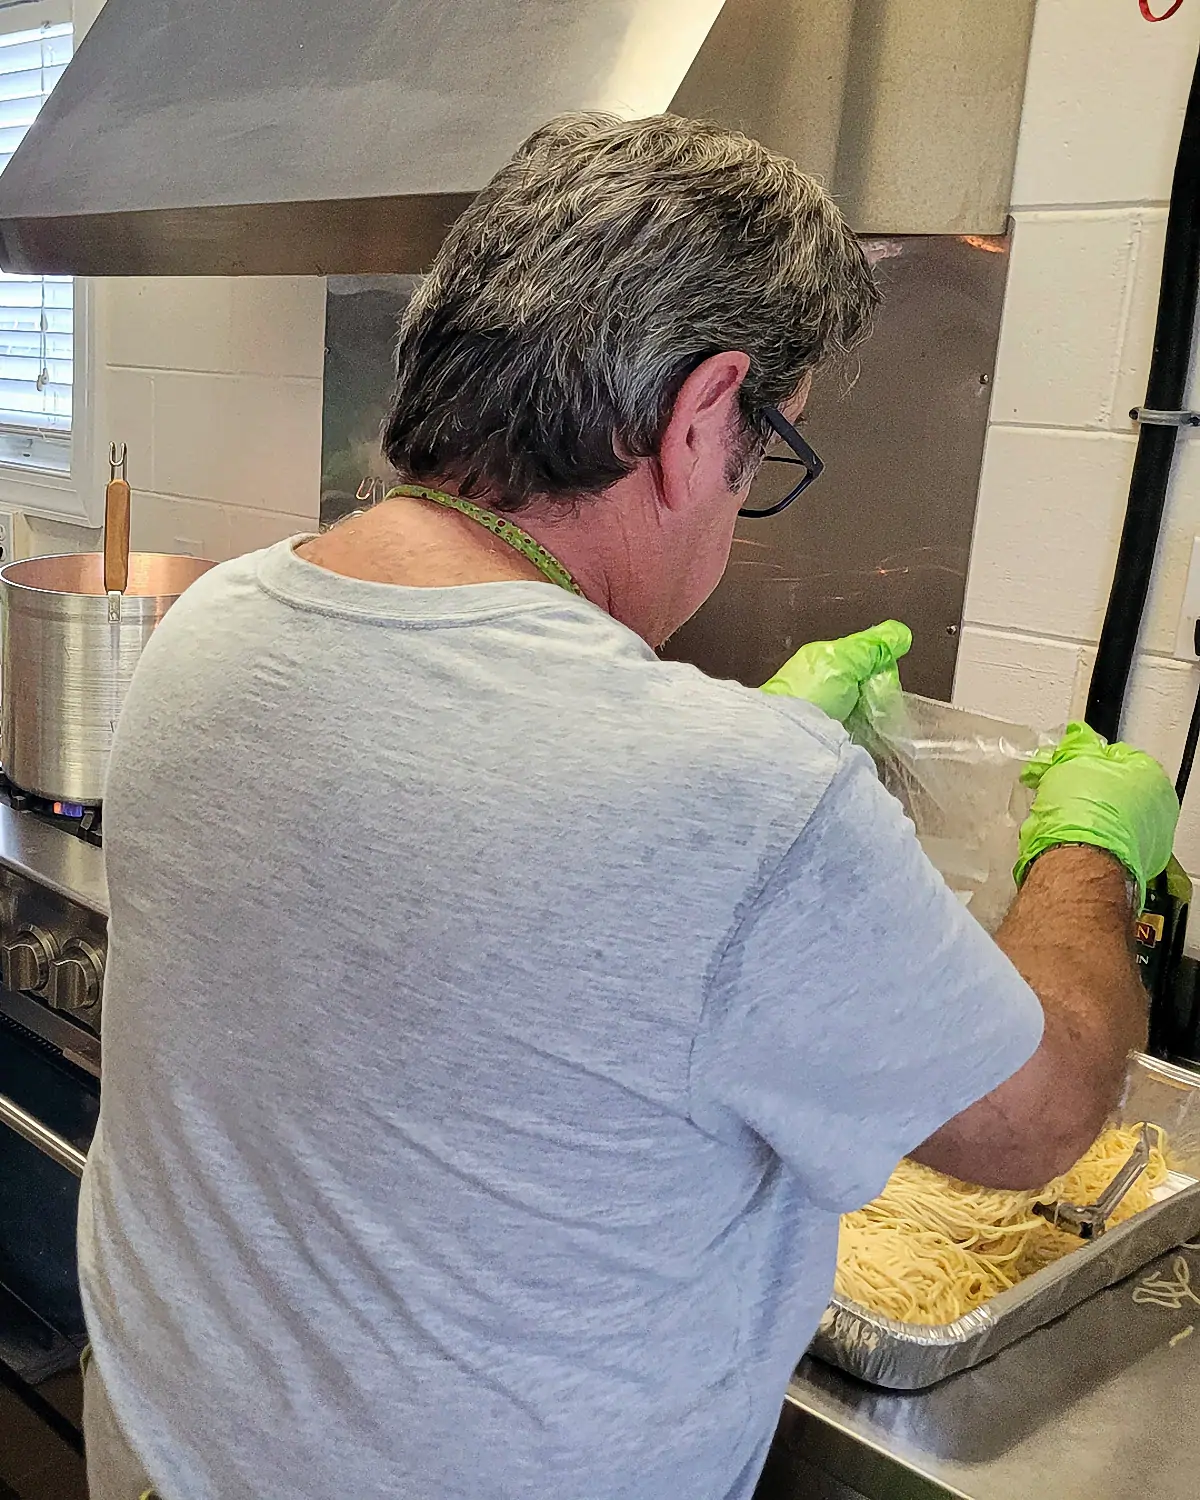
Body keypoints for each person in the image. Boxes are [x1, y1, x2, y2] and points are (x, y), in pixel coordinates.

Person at [79, 112, 1178, 1500]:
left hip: (165, 1448)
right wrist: (1087, 847)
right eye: (761, 457)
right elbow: (1036, 1116)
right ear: (701, 414)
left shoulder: (216, 618)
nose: (737, 507)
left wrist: (749, 761)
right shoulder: (742, 800)